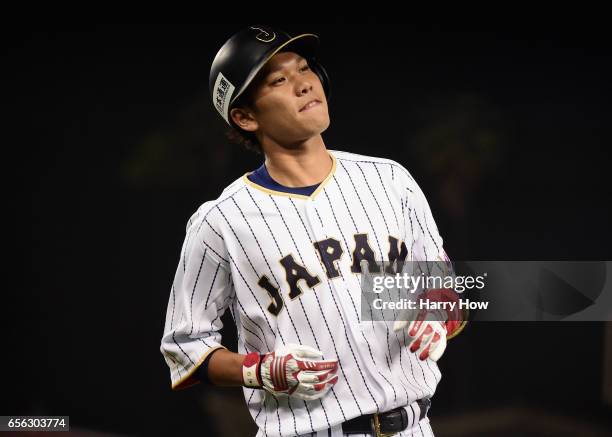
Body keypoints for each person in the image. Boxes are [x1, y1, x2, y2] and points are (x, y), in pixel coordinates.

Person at [160, 24, 465, 437]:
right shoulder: (221, 221)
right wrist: (262, 371)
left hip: (413, 425)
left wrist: (437, 315)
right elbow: (185, 347)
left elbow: (444, 288)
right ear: (245, 116)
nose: (304, 84)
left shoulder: (390, 180)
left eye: (304, 68)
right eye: (279, 80)